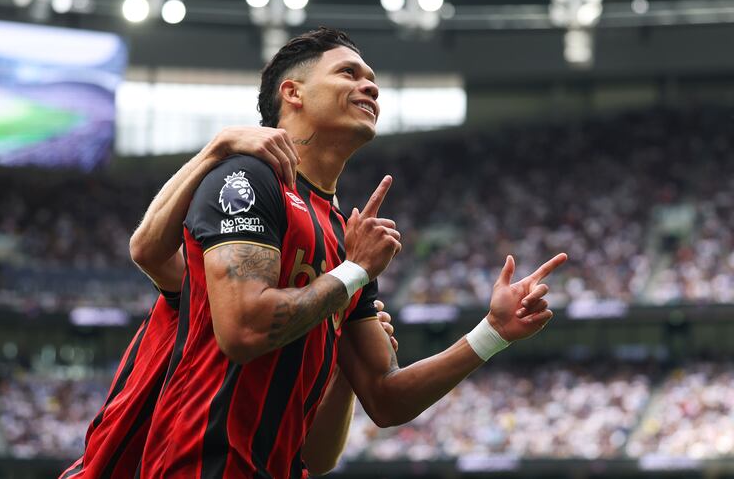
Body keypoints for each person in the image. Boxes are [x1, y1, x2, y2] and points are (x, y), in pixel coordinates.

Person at [139, 27, 567, 479]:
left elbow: (383, 398)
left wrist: (493, 332)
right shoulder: (249, 177)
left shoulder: (343, 236)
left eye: (372, 78)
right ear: (293, 93)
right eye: (349, 73)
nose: (371, 86)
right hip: (200, 465)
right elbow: (243, 328)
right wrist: (355, 270)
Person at [60, 127, 398, 478]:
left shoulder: (312, 314)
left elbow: (316, 458)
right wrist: (215, 149)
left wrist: (346, 371)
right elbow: (146, 250)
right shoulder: (217, 279)